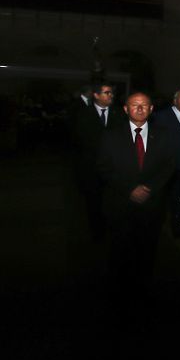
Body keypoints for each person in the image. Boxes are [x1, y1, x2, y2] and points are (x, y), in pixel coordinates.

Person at [96, 92, 176, 324]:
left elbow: (169, 166)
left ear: (151, 109)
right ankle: (118, 296)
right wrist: (130, 189)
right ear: (125, 109)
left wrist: (149, 188)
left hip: (151, 205)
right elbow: (103, 168)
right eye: (134, 105)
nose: (139, 109)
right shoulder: (110, 136)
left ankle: (144, 293)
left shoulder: (164, 135)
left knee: (147, 251)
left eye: (144, 105)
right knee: (120, 250)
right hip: (120, 204)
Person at [73, 82, 124, 241]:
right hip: (91, 167)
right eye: (107, 93)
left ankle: (112, 228)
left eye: (112, 93)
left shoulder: (118, 113)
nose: (111, 95)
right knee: (93, 201)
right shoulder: (83, 114)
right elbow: (81, 139)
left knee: (112, 200)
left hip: (113, 167)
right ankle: (97, 232)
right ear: (95, 95)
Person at [153, 88, 180, 236]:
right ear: (175, 100)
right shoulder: (162, 117)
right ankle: (174, 226)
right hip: (171, 166)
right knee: (172, 198)